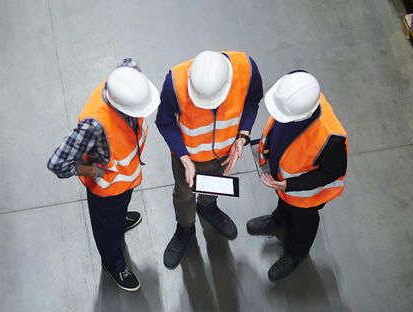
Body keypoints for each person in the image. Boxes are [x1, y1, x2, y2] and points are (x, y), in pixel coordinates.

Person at [47, 59, 160, 292]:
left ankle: (118, 221)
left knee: (117, 213)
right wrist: (92, 171)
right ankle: (113, 263)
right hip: (106, 190)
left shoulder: (128, 75)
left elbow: (129, 62)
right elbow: (58, 163)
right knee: (106, 228)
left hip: (126, 180)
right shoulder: (94, 125)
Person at [156, 50, 263, 268]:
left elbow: (253, 100)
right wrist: (183, 157)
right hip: (188, 157)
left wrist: (243, 135)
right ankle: (185, 228)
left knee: (214, 185)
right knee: (184, 195)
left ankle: (208, 206)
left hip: (225, 151)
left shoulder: (246, 69)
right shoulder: (175, 82)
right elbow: (165, 122)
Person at [247, 71, 348, 281]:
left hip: (305, 196)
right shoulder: (296, 94)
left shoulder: (332, 138)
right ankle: (280, 219)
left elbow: (332, 172)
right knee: (284, 205)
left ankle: (296, 253)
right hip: (283, 183)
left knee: (304, 223)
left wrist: (290, 185)